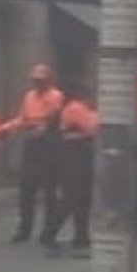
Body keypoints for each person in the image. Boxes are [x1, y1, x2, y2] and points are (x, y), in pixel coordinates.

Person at [1, 64, 64, 244]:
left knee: (49, 189)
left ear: (49, 80)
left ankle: (48, 230)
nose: (37, 83)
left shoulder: (56, 96)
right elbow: (23, 118)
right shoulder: (29, 96)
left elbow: (51, 117)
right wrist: (7, 128)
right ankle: (24, 229)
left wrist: (41, 126)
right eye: (35, 80)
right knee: (27, 188)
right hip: (32, 142)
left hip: (49, 143)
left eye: (41, 80)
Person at [41, 83, 97, 257]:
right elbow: (92, 127)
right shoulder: (74, 108)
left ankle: (81, 236)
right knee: (71, 197)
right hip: (72, 155)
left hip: (82, 154)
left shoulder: (81, 109)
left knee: (84, 198)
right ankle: (48, 233)